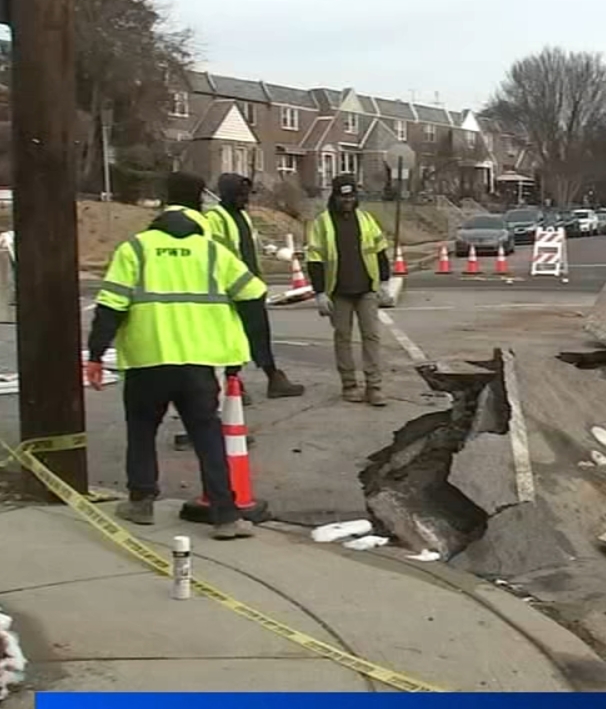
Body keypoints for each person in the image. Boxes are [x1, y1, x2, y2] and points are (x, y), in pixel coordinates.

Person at [85, 171, 269, 540]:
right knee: (208, 436)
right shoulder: (213, 252)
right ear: (198, 204)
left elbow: (110, 306)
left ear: (163, 204)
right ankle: (225, 516)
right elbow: (253, 293)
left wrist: (96, 355)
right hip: (198, 363)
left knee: (141, 431)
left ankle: (141, 502)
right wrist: (249, 350)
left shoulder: (136, 249)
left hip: (147, 361)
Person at [204, 173, 305, 399]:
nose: (245, 199)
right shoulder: (214, 219)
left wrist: (268, 261)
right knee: (232, 338)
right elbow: (218, 257)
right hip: (231, 290)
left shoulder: (243, 216)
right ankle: (233, 383)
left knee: (260, 334)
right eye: (240, 195)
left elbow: (252, 247)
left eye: (246, 194)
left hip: (250, 286)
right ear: (228, 195)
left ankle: (273, 378)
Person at [306, 174, 392, 406]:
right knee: (343, 337)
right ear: (334, 197)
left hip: (366, 288)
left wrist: (384, 281)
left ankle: (374, 386)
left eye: (352, 196)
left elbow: (380, 251)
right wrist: (320, 292)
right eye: (343, 197)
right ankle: (349, 384)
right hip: (338, 291)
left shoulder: (365, 219)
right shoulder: (322, 223)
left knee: (371, 336)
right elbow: (314, 259)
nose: (348, 201)